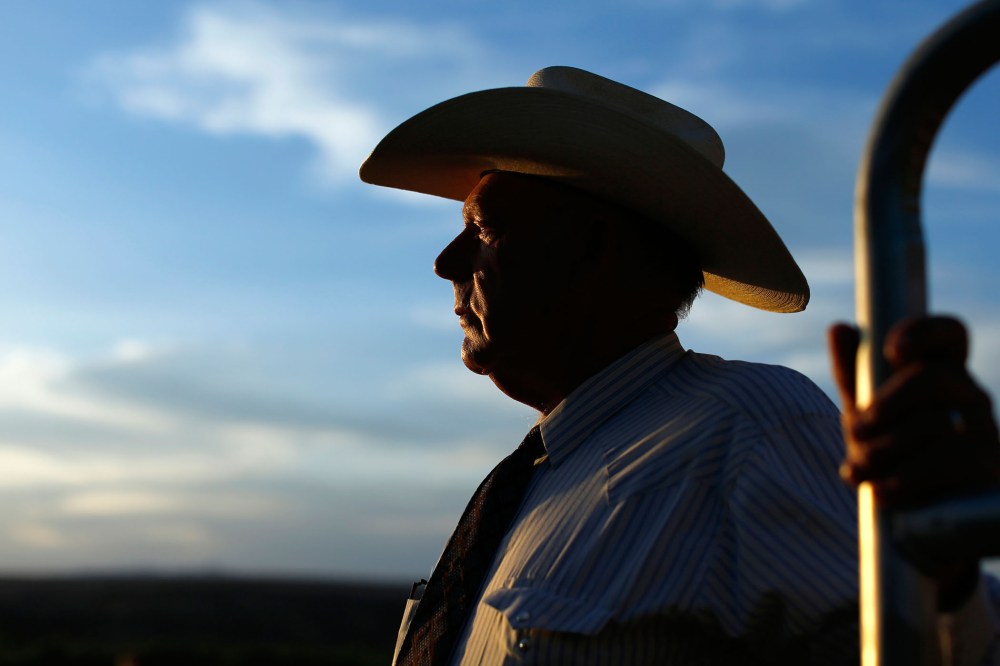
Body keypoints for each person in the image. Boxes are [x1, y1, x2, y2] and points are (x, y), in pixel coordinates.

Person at [360, 66, 1000, 665]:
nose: (447, 261)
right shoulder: (546, 472)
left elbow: (923, 648)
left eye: (484, 229)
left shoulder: (752, 426)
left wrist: (942, 575)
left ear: (593, 250)